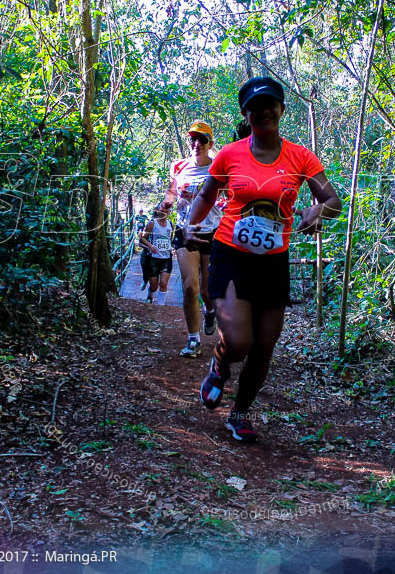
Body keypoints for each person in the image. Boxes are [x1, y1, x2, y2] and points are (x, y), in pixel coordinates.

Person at [184, 77, 341, 442]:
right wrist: (189, 226)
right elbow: (207, 196)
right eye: (255, 107)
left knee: (264, 346)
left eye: (270, 104)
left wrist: (314, 213)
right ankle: (220, 365)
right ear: (246, 114)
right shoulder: (230, 154)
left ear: (282, 110)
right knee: (239, 342)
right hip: (231, 254)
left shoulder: (300, 157)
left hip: (273, 260)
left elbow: (332, 203)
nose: (264, 111)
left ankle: (239, 414)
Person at [163, 121, 223, 357]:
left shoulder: (219, 168)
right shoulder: (178, 166)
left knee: (207, 289)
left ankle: (210, 311)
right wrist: (165, 205)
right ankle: (193, 340)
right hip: (185, 230)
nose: (196, 144)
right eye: (192, 139)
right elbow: (171, 193)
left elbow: (231, 195)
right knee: (190, 287)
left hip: (213, 231)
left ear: (210, 144)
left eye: (202, 140)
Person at [138, 202, 173, 304]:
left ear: (169, 212)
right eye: (162, 210)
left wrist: (172, 248)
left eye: (166, 210)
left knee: (163, 283)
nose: (164, 212)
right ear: (158, 212)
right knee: (154, 285)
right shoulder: (152, 224)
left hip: (166, 258)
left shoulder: (171, 225)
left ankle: (161, 306)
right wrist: (150, 246)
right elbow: (142, 238)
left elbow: (169, 240)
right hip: (153, 258)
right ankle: (150, 296)